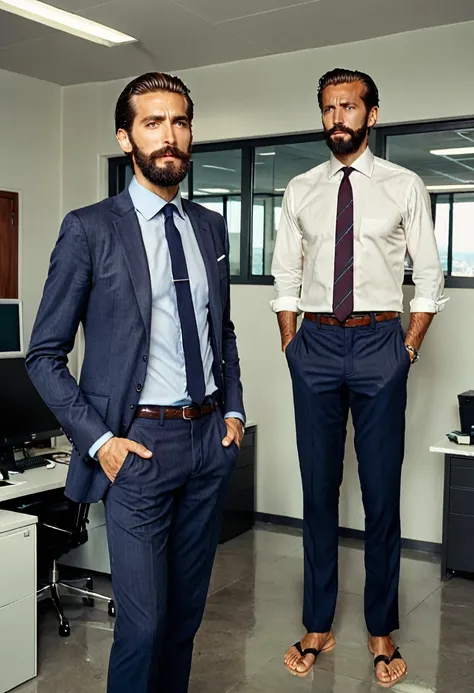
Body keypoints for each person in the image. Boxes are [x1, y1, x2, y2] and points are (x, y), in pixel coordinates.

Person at [26, 71, 245, 693]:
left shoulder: (208, 226)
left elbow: (220, 330)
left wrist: (233, 413)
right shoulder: (90, 228)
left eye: (179, 121)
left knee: (183, 621)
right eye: (153, 123)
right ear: (126, 138)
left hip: (208, 443)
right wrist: (102, 443)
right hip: (139, 447)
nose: (168, 136)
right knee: (143, 627)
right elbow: (43, 354)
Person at [271, 68, 446, 688]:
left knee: (380, 495)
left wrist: (408, 346)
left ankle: (380, 627)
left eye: (348, 106)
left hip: (379, 343)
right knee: (317, 490)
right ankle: (317, 623)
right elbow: (284, 276)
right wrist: (292, 341)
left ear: (372, 114)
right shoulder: (300, 189)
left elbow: (429, 274)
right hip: (313, 343)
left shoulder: (405, 185)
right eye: (327, 108)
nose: (336, 117)